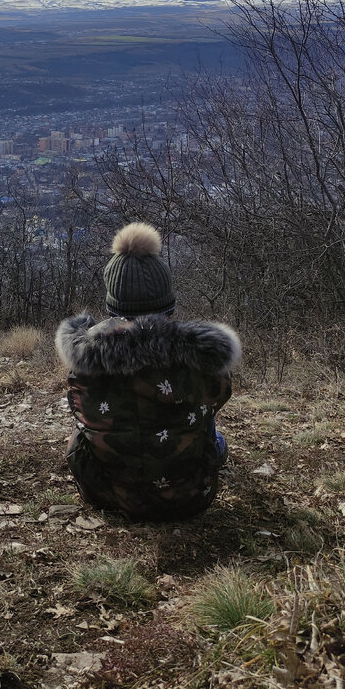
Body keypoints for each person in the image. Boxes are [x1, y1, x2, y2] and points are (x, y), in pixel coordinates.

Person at [55, 222, 240, 521]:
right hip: (192, 495)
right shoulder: (203, 359)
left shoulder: (86, 360)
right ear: (168, 303)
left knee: (80, 435)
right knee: (210, 427)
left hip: (109, 494)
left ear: (113, 305)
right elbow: (220, 396)